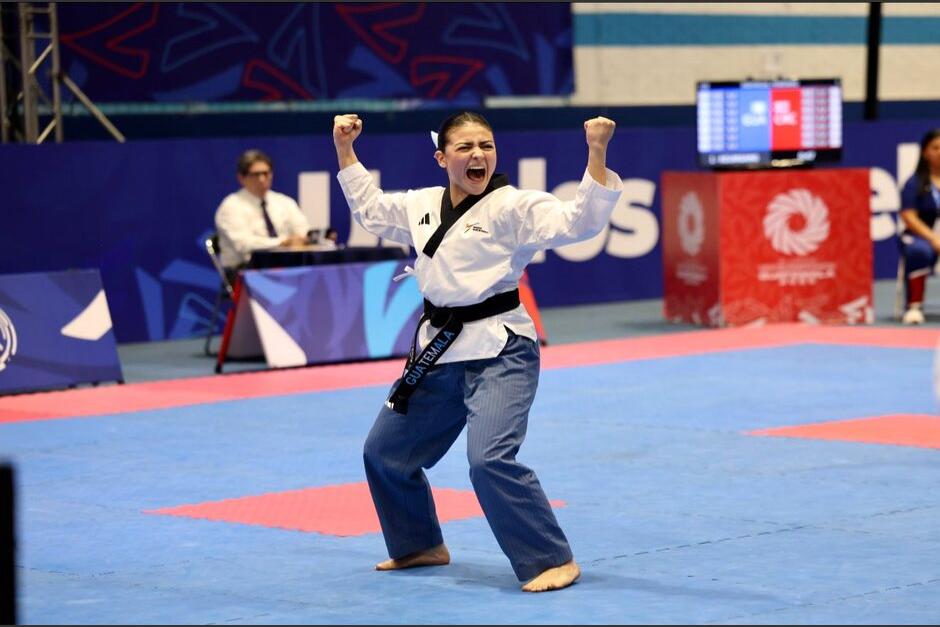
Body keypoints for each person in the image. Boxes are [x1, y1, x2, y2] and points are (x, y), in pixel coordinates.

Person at [333, 111, 623, 592]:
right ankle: (418, 544)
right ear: (441, 158)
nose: (478, 155)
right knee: (384, 453)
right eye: (466, 147)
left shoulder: (514, 206)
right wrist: (345, 150)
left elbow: (579, 223)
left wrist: (596, 151)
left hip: (502, 350)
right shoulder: (421, 205)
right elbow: (370, 210)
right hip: (439, 350)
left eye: (486, 146)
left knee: (488, 459)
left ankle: (551, 558)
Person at [215, 149, 311, 280]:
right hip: (244, 273)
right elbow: (244, 245)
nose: (261, 179)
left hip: (285, 267)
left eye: (266, 173)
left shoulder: (285, 202)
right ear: (241, 178)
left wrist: (303, 239)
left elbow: (302, 231)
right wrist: (282, 243)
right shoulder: (230, 207)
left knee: (313, 276)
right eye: (255, 174)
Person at [899, 128, 940, 324]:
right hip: (921, 237)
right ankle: (914, 306)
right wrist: (933, 238)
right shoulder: (914, 183)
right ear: (925, 152)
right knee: (918, 251)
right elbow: (909, 216)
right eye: (936, 148)